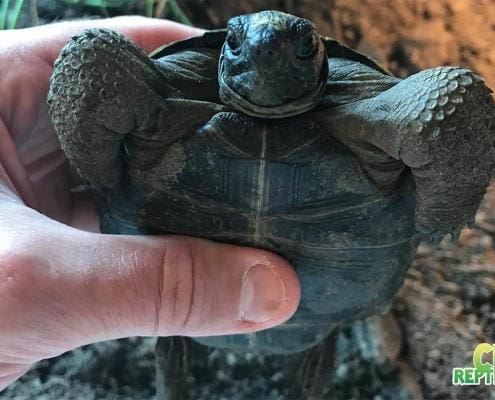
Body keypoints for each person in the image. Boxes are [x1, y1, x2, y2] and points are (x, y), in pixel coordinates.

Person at [0, 16, 301, 391]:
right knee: (91, 58)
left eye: (302, 48)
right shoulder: (174, 94)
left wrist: (106, 183)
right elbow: (92, 65)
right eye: (242, 47)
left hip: (313, 309)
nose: (267, 55)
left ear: (320, 58)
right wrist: (101, 176)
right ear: (227, 54)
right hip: (309, 299)